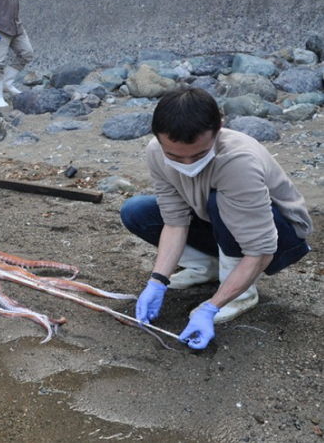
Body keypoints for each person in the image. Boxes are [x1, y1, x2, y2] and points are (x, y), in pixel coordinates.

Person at [120, 88, 312, 350]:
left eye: (198, 154)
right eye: (175, 156)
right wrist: (158, 281)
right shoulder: (157, 152)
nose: (187, 163)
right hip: (218, 223)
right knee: (136, 211)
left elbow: (261, 250)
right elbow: (175, 222)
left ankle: (241, 293)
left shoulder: (238, 162)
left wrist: (211, 307)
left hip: (280, 240)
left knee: (217, 202)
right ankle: (207, 267)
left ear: (219, 128)